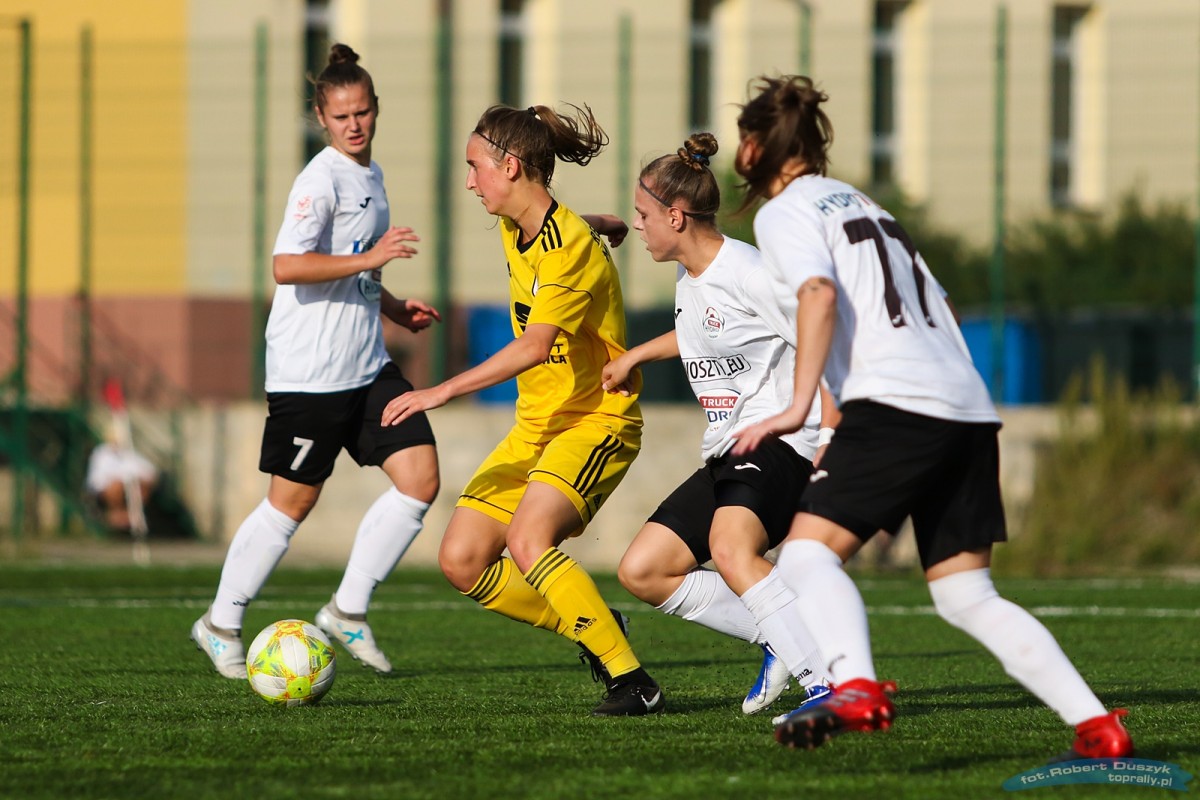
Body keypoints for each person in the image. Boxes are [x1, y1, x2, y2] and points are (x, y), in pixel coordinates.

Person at [729, 75, 1133, 759]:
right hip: (965, 407)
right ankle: (1098, 727)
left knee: (803, 556)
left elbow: (819, 296)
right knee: (966, 594)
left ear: (754, 148)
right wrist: (844, 428)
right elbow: (940, 308)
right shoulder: (869, 206)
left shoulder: (784, 212)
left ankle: (855, 686)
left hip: (896, 403)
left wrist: (798, 409)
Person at [381, 102, 662, 716]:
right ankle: (594, 624)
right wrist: (605, 222)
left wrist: (438, 391)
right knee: (462, 560)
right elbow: (561, 229)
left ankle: (634, 683)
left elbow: (536, 345)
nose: (469, 181)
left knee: (530, 541)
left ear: (509, 166)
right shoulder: (521, 225)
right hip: (536, 427)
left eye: (475, 166)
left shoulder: (569, 248)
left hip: (595, 423)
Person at [191, 44, 442, 680]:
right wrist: (372, 259)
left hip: (367, 365)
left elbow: (354, 264)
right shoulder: (319, 180)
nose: (354, 125)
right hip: (311, 373)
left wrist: (392, 306)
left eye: (362, 112)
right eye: (341, 116)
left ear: (376, 108)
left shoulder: (371, 175)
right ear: (321, 118)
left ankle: (347, 610)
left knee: (420, 479)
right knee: (291, 505)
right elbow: (287, 266)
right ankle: (220, 623)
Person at [602, 132, 834, 716]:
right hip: (728, 449)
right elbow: (701, 333)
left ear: (675, 216)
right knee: (644, 570)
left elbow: (822, 337)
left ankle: (826, 686)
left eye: (644, 214)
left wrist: (831, 437)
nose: (638, 226)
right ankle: (782, 634)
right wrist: (635, 356)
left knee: (731, 550)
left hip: (781, 442)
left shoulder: (750, 271)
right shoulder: (691, 276)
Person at [85, 427, 158, 531]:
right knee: (116, 487)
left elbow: (148, 470)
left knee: (141, 487)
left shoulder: (128, 453)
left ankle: (135, 513)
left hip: (127, 487)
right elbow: (98, 479)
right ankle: (117, 513)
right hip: (104, 489)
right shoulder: (101, 454)